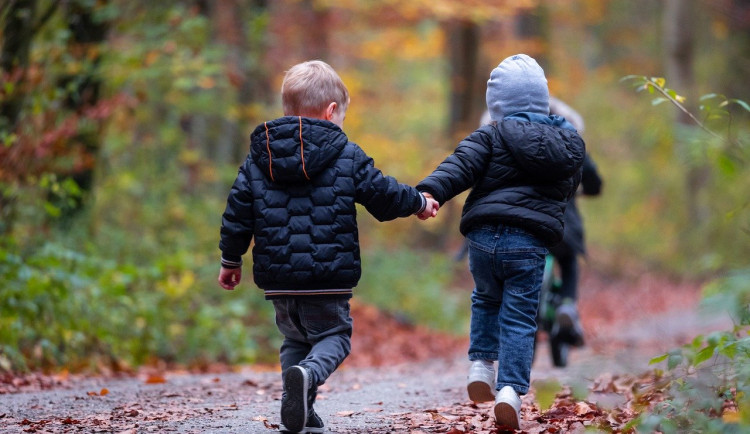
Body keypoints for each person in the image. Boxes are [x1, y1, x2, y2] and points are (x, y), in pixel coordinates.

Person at [217, 60, 438, 434]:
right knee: (334, 337)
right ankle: (308, 376)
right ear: (331, 111)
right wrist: (418, 202)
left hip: (279, 279)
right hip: (327, 275)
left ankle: (300, 404)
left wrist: (230, 259)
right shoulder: (345, 153)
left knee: (294, 338)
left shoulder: (260, 156)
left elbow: (238, 211)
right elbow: (382, 194)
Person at [417, 54, 585, 429]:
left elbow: (458, 167)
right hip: (528, 245)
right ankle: (510, 390)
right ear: (543, 99)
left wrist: (429, 193)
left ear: (496, 104)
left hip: (482, 238)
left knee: (486, 299)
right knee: (521, 317)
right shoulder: (569, 143)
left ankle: (480, 364)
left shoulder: (489, 135)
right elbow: (568, 189)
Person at [546, 97, 603, 348]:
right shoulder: (571, 142)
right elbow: (594, 183)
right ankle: (568, 304)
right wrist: (582, 189)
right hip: (562, 222)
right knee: (568, 260)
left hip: (522, 222)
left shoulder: (510, 136)